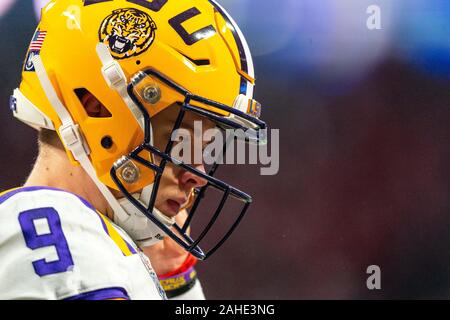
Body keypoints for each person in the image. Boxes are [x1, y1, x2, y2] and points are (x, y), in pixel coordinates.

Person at [1, 0, 266, 300]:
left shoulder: (102, 242)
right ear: (95, 107)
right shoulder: (52, 227)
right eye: (181, 141)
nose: (199, 176)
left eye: (203, 149)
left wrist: (173, 279)